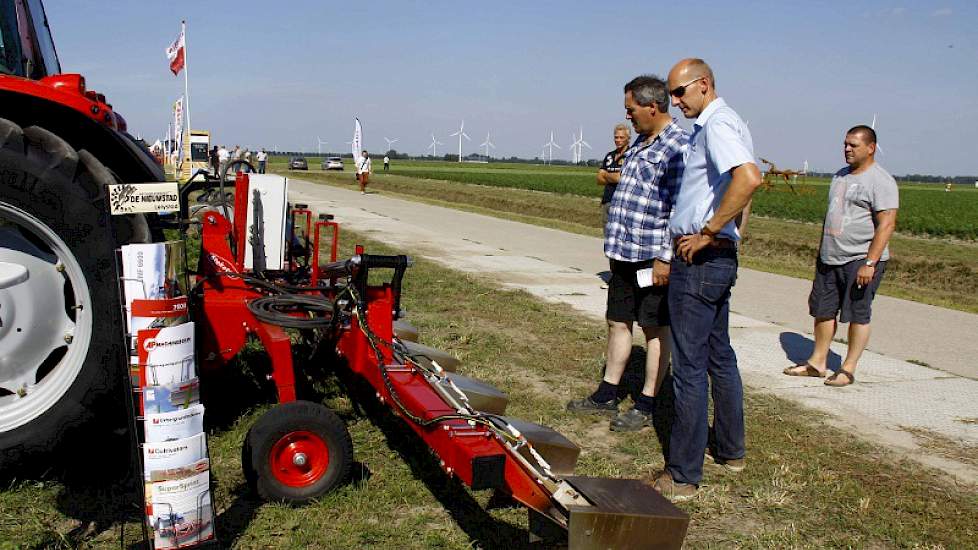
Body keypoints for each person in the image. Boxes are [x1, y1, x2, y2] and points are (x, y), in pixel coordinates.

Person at [653, 58, 762, 501]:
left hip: (699, 260)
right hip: (716, 257)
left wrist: (711, 231)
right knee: (719, 354)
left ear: (703, 85)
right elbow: (745, 184)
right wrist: (730, 235)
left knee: (690, 368)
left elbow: (749, 179)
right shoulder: (727, 124)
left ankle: (682, 476)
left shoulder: (717, 125)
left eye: (679, 93)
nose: (673, 102)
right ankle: (731, 450)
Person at [567, 75, 688, 432]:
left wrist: (666, 257)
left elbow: (679, 208)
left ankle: (648, 401)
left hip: (652, 258)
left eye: (631, 109)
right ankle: (607, 393)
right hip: (622, 253)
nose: (628, 116)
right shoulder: (638, 143)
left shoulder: (677, 147)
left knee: (654, 328)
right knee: (618, 321)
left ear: (652, 106)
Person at [783, 126, 898, 387]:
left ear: (870, 148)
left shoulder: (881, 181)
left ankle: (847, 368)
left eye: (853, 145)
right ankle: (818, 362)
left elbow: (887, 224)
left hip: (860, 258)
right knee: (823, 311)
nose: (847, 149)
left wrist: (870, 263)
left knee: (858, 313)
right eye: (845, 144)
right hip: (830, 257)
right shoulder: (840, 176)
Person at [597, 123, 631, 226]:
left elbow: (622, 179)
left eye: (622, 137)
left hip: (622, 204)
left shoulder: (631, 155)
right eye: (616, 137)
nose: (618, 140)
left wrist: (606, 175)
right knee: (607, 237)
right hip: (607, 201)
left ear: (628, 139)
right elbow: (599, 179)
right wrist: (614, 176)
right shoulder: (609, 156)